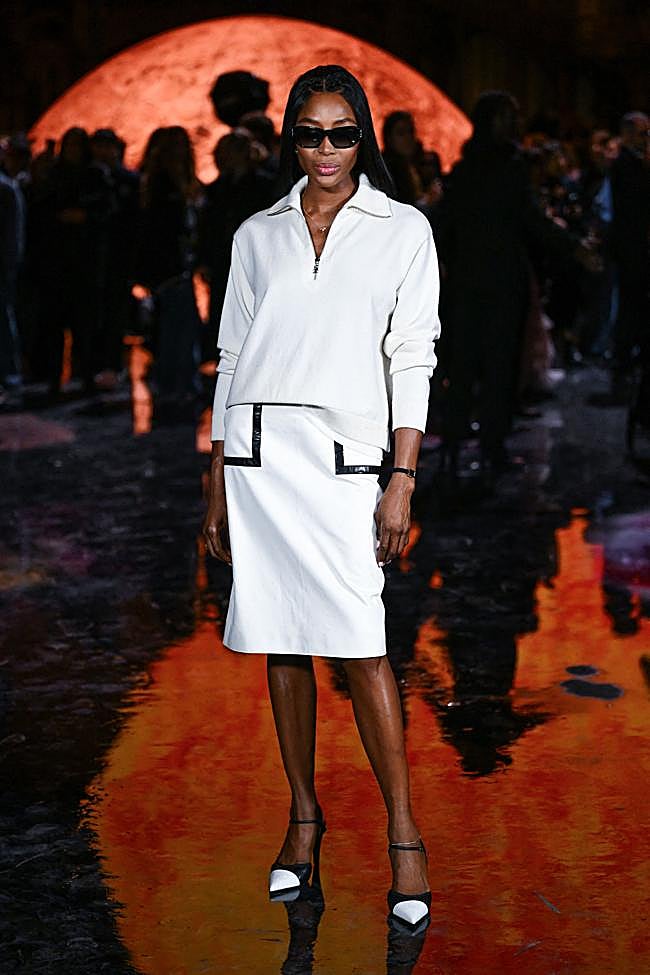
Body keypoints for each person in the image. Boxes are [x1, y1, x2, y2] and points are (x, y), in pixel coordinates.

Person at [202, 64, 440, 932]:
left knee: (363, 643)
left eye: (343, 133)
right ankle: (304, 819)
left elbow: (412, 354)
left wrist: (401, 477)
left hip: (347, 459)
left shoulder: (402, 228)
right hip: (259, 456)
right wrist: (216, 476)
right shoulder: (257, 232)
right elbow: (232, 355)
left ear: (362, 137)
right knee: (283, 638)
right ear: (291, 140)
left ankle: (404, 832)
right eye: (310, 133)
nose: (327, 148)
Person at [609, 111, 649, 384]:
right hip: (631, 246)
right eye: (642, 133)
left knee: (635, 303)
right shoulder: (625, 164)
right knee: (630, 304)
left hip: (635, 245)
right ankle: (624, 359)